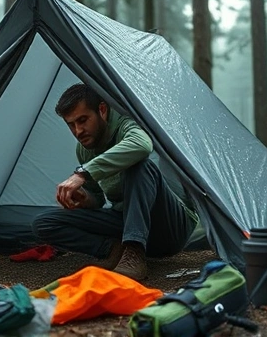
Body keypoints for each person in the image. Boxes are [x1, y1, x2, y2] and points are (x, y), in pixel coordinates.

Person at [32, 83, 198, 281]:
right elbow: (99, 200)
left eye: (83, 120)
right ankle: (115, 250)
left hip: (171, 226)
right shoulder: (84, 149)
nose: (78, 131)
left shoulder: (125, 123)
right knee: (43, 223)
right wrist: (86, 199)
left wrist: (82, 174)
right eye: (71, 124)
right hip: (126, 220)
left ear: (102, 110)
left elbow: (142, 145)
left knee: (139, 166)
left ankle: (134, 253)